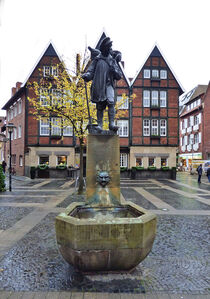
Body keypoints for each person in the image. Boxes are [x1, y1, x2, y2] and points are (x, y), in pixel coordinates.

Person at [82, 37, 122, 132]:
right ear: (104, 48)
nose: (110, 49)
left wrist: (114, 70)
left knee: (111, 102)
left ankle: (111, 124)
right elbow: (91, 71)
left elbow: (119, 75)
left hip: (109, 85)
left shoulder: (112, 60)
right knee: (100, 105)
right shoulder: (97, 59)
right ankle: (99, 124)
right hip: (99, 85)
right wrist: (87, 75)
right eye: (108, 48)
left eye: (110, 48)